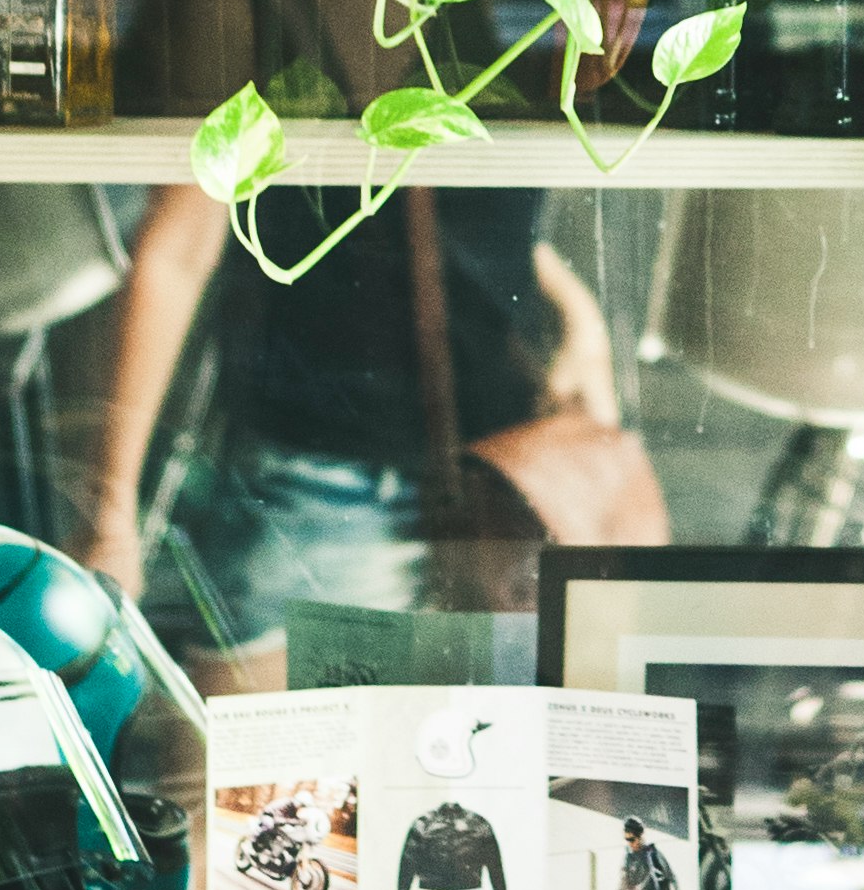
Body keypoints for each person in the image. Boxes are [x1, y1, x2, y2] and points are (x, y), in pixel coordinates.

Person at [78, 180, 661, 658]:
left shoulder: (507, 34)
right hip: (325, 478)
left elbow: (457, 202)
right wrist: (111, 512)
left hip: (506, 489)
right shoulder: (295, 39)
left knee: (468, 784)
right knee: (284, 793)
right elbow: (178, 251)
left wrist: (577, 311)